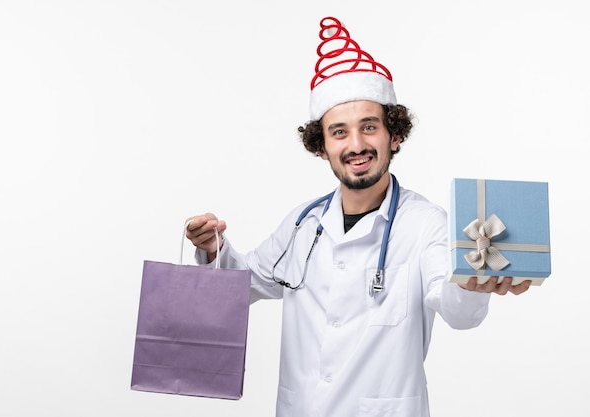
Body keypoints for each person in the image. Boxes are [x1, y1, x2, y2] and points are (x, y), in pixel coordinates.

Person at [185, 16, 531, 417]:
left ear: (394, 136)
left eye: (369, 127)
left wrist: (474, 285)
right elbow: (240, 287)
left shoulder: (425, 222)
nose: (356, 144)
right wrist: (213, 250)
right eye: (338, 132)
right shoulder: (303, 224)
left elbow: (454, 307)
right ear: (321, 147)